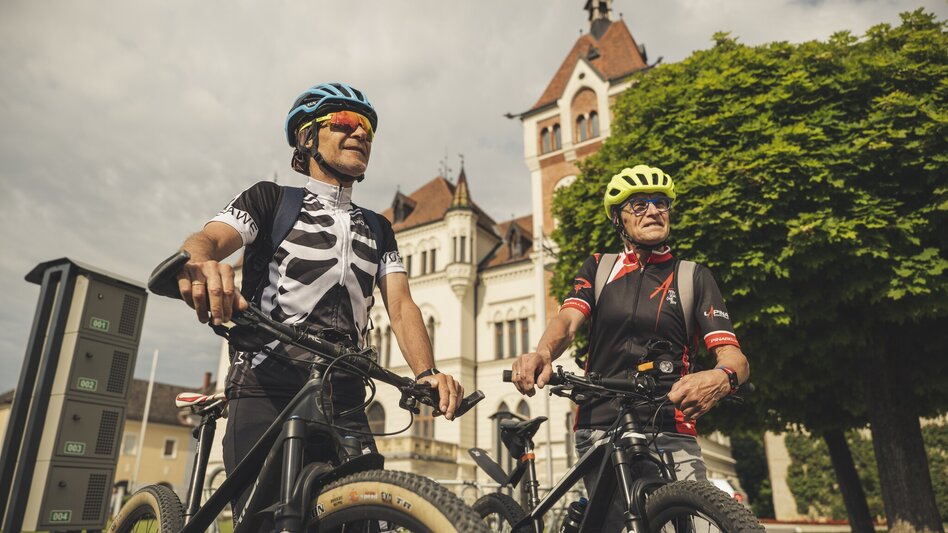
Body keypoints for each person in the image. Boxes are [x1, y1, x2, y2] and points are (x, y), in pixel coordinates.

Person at [173, 82, 464, 525]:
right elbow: (210, 238)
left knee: (364, 518)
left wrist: (426, 372)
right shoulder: (271, 200)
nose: (361, 133)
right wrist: (199, 261)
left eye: (367, 127)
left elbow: (402, 306)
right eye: (345, 122)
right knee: (262, 522)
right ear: (306, 136)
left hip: (344, 390)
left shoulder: (378, 228)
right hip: (266, 383)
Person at [510, 164, 750, 527]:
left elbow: (733, 355)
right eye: (638, 205)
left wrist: (721, 377)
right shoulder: (598, 268)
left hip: (670, 424)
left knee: (697, 523)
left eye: (660, 203)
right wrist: (543, 352)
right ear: (619, 220)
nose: (653, 210)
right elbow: (567, 322)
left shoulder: (693, 277)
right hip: (601, 420)